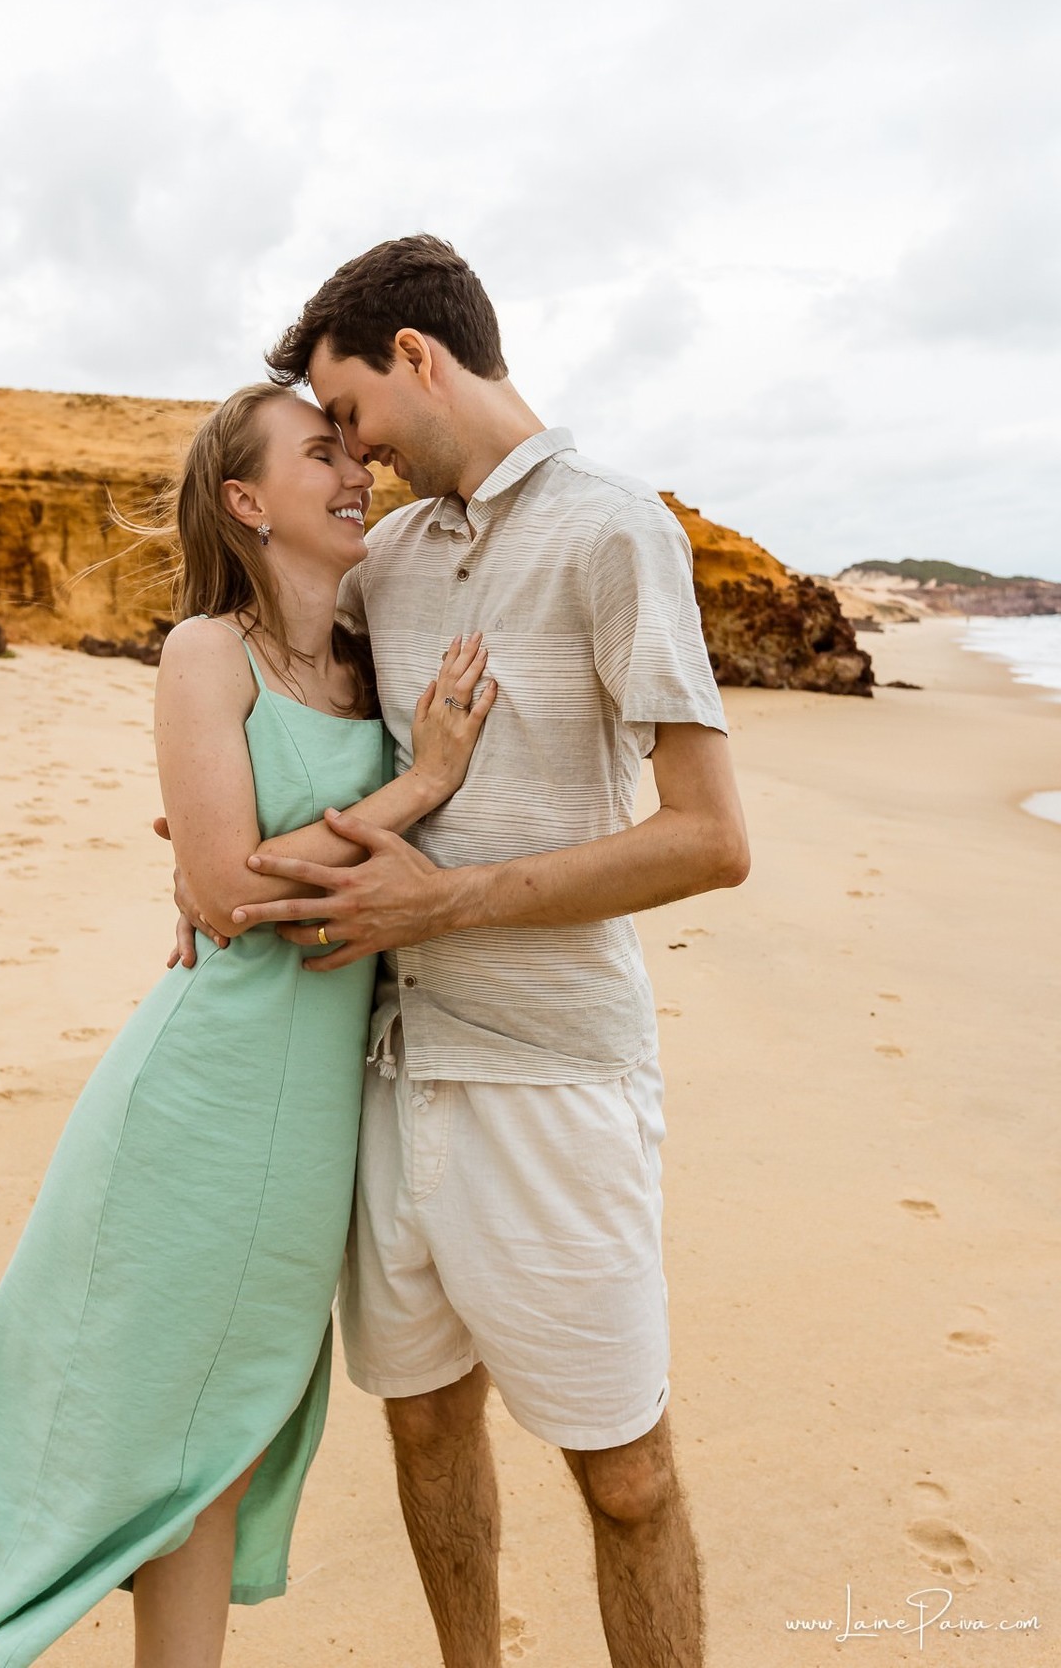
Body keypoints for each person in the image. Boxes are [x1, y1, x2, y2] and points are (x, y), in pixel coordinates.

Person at [168, 237, 751, 1668]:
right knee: (426, 1433)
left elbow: (710, 839)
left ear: (417, 356)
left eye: (349, 407)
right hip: (378, 1076)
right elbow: (281, 712)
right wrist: (203, 845)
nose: (350, 451)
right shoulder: (390, 561)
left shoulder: (619, 531)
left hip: (552, 1078)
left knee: (626, 1475)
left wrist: (450, 903)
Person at [0, 380, 496, 1668]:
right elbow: (222, 888)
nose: (353, 471)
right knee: (145, 1415)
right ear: (246, 501)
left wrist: (303, 840)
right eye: (318, 454)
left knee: (226, 1422)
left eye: (350, 448)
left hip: (314, 1116)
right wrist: (420, 785)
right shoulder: (207, 652)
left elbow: (257, 864)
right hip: (202, 1096)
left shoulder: (372, 666)